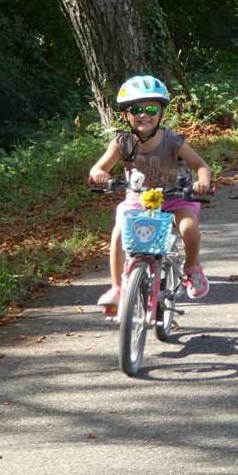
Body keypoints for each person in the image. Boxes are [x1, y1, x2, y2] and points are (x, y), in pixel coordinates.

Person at [88, 75, 212, 308]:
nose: (144, 114)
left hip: (177, 197)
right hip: (139, 198)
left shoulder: (173, 140)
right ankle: (117, 287)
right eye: (136, 109)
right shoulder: (121, 142)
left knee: (188, 226)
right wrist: (99, 174)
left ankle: (191, 267)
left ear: (161, 112)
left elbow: (201, 165)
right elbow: (99, 167)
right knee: (119, 231)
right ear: (126, 115)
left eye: (151, 108)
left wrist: (202, 182)